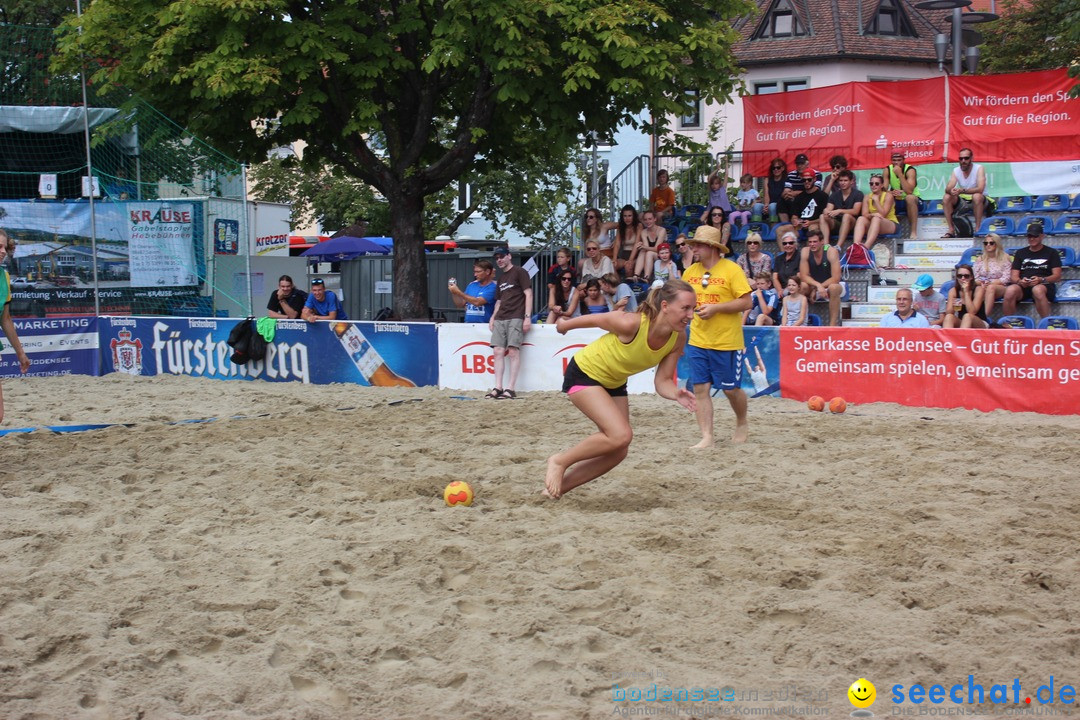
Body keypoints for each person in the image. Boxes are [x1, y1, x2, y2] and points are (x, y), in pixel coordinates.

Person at [543, 279, 697, 499]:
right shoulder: (631, 323)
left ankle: (552, 491)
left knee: (618, 450)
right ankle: (560, 461)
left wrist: (676, 393)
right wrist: (565, 324)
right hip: (585, 372)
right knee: (620, 435)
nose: (691, 315)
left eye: (693, 308)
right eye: (685, 308)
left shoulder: (677, 338)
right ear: (665, 306)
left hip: (614, 382)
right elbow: (598, 319)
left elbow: (662, 381)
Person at [683, 225, 752, 447]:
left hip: (726, 341)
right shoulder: (689, 272)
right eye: (694, 245)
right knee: (700, 388)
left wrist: (716, 308)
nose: (694, 248)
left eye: (699, 245)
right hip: (697, 339)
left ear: (712, 247)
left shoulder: (731, 270)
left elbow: (747, 302)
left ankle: (741, 421)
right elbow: (681, 300)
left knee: (730, 389)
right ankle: (707, 437)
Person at [486, 246, 532, 400]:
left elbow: (528, 294)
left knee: (513, 351)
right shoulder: (501, 279)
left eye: (501, 256)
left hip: (516, 316)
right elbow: (499, 300)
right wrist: (493, 316)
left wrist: (527, 317)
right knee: (497, 351)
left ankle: (510, 388)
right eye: (497, 257)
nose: (499, 260)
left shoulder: (520, 272)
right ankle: (498, 387)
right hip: (501, 317)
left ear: (509, 256)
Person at [1002, 222, 1062, 319]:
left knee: (1037, 290)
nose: (1032, 238)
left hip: (1044, 284)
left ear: (1042, 236)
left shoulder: (1052, 252)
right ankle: (1008, 324)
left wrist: (1041, 280)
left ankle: (1046, 323)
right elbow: (1013, 276)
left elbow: (1057, 276)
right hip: (1024, 285)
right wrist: (1020, 281)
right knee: (1010, 290)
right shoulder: (1020, 253)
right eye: (1029, 236)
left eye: (1035, 236)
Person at [0, 231, 30, 425]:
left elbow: (5, 319)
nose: (3, 251)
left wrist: (21, 353)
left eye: (4, 247)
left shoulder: (4, 277)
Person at [798, 229, 842, 326]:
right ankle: (799, 321)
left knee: (834, 288)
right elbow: (804, 276)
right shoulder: (805, 251)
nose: (812, 244)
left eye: (815, 241)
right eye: (810, 242)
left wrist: (820, 286)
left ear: (822, 242)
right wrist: (817, 286)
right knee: (802, 286)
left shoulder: (831, 251)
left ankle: (832, 325)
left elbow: (836, 278)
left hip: (830, 284)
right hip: (815, 285)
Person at [942, 148, 986, 238]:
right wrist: (951, 190)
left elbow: (980, 189)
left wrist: (962, 190)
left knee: (977, 196)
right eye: (961, 159)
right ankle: (951, 230)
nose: (963, 161)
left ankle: (978, 229)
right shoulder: (956, 170)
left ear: (971, 158)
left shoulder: (979, 168)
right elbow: (948, 188)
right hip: (964, 201)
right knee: (946, 197)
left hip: (980, 200)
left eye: (966, 158)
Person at [777, 169, 827, 240]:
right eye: (804, 180)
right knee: (780, 230)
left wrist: (810, 222)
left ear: (814, 179)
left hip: (815, 225)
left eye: (809, 180)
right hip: (800, 227)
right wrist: (795, 221)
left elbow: (825, 218)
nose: (806, 182)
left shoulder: (823, 196)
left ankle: (809, 250)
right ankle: (783, 251)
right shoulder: (799, 197)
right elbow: (794, 216)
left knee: (812, 228)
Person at [820, 169, 863, 251]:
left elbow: (855, 211)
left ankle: (838, 246)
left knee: (846, 216)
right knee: (822, 216)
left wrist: (839, 211)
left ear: (851, 182)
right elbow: (828, 208)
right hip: (838, 223)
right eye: (841, 180)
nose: (842, 183)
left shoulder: (858, 194)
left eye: (845, 180)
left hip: (853, 224)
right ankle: (826, 245)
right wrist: (826, 211)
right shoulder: (834, 195)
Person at [852, 173, 897, 250]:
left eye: (877, 183)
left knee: (876, 218)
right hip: (874, 223)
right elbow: (864, 214)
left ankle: (866, 247)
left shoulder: (888, 196)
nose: (873, 185)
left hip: (890, 223)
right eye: (871, 183)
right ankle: (855, 246)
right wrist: (872, 215)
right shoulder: (867, 197)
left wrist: (876, 201)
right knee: (861, 219)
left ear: (882, 185)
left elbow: (883, 214)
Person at [974, 233, 1013, 319]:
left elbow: (1007, 278)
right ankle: (974, 315)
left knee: (991, 288)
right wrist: (981, 283)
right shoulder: (980, 259)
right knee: (978, 288)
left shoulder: (1005, 258)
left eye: (991, 243)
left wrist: (991, 283)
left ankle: (985, 317)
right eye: (986, 243)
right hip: (983, 285)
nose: (988, 245)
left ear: (997, 244)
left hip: (1000, 286)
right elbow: (975, 277)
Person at [884, 150, 922, 239]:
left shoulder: (910, 170)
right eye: (894, 160)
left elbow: (909, 191)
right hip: (897, 200)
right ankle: (888, 232)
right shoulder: (887, 170)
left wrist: (900, 174)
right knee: (885, 197)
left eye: (899, 160)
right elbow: (883, 190)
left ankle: (913, 233)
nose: (896, 162)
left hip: (914, 201)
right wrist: (891, 192)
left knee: (910, 198)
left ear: (903, 160)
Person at [777, 153, 820, 224]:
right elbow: (786, 191)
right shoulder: (791, 175)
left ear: (807, 164)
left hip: (810, 198)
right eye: (797, 164)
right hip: (796, 199)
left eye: (802, 164)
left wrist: (795, 193)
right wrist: (790, 194)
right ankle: (786, 225)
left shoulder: (816, 174)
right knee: (782, 201)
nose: (799, 166)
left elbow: (816, 191)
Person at [942, 264, 988, 329]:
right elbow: (949, 312)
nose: (963, 278)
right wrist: (953, 303)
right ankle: (947, 338)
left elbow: (972, 312)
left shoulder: (978, 289)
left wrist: (966, 292)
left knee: (967, 316)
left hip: (979, 322)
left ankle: (961, 338)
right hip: (962, 322)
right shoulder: (953, 291)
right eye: (960, 276)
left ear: (971, 277)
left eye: (966, 276)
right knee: (949, 317)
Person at [632, 210, 666, 281]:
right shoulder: (644, 232)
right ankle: (635, 275)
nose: (648, 221)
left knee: (649, 252)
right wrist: (643, 247)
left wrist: (643, 246)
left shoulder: (662, 230)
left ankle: (646, 278)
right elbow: (646, 248)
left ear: (655, 219)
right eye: (645, 220)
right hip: (651, 255)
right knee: (643, 251)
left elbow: (657, 249)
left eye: (650, 219)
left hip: (663, 254)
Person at [544, 248, 576, 319]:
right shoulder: (553, 268)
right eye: (558, 257)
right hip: (556, 293)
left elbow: (573, 285)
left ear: (568, 258)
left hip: (568, 294)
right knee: (553, 311)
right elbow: (550, 284)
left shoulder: (573, 270)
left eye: (562, 257)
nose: (559, 259)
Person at [612, 205, 642, 275]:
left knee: (628, 267)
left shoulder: (639, 226)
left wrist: (630, 260)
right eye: (625, 216)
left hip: (635, 254)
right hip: (623, 254)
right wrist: (614, 258)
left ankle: (629, 284)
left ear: (633, 216)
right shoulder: (620, 227)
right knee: (612, 265)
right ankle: (618, 284)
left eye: (629, 216)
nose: (627, 218)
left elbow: (636, 244)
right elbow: (617, 244)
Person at [772, 230, 801, 295]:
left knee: (786, 293)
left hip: (793, 287)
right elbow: (775, 278)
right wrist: (779, 290)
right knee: (767, 294)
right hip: (779, 288)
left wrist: (788, 288)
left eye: (790, 243)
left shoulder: (800, 257)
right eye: (785, 243)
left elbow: (799, 277)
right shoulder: (778, 258)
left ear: (795, 244)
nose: (787, 245)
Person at [761, 158, 787, 223]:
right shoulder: (767, 180)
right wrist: (766, 205)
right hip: (770, 204)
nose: (776, 169)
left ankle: (773, 227)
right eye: (773, 168)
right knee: (757, 207)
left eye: (778, 167)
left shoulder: (787, 180)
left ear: (783, 168)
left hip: (781, 205)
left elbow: (784, 196)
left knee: (772, 206)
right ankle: (756, 229)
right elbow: (766, 195)